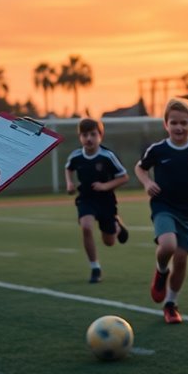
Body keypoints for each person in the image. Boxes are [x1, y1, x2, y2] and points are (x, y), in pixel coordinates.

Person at [135, 98, 188, 323]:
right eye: (174, 122)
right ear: (166, 124)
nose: (179, 127)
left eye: (184, 122)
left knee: (182, 259)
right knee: (168, 245)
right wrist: (147, 183)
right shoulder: (157, 149)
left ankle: (171, 304)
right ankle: (161, 271)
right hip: (163, 206)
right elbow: (140, 168)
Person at [65, 117, 130, 283]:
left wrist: (106, 186)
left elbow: (124, 177)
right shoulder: (76, 156)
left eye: (93, 134)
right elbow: (68, 168)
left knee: (109, 242)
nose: (88, 138)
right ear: (80, 137)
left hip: (106, 201)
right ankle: (95, 268)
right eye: (85, 135)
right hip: (86, 199)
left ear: (100, 136)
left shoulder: (107, 156)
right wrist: (70, 183)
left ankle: (116, 225)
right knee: (86, 227)